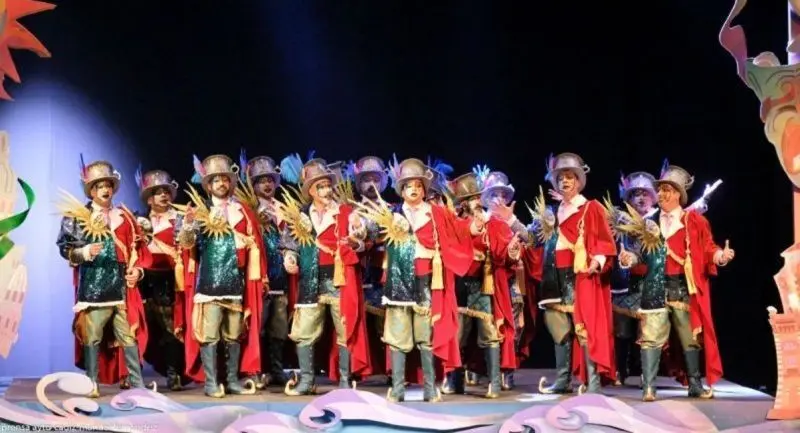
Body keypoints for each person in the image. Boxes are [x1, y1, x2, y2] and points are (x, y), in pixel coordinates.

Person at [355, 157, 473, 402]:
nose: (414, 189)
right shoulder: (392, 213)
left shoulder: (436, 214)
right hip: (398, 281)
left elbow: (458, 230)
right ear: (401, 189)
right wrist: (358, 228)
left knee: (425, 337)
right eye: (409, 185)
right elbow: (371, 230)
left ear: (424, 189)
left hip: (425, 282)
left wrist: (473, 228)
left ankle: (429, 388)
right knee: (398, 338)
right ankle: (398, 388)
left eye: (418, 185)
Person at [617, 162, 734, 401]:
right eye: (660, 190)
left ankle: (695, 384)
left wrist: (720, 256)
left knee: (690, 337)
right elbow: (641, 254)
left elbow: (708, 248)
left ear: (679, 194)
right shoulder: (649, 221)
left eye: (667, 190)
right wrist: (630, 259)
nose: (661, 194)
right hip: (654, 286)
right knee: (651, 336)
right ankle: (649, 387)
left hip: (682, 287)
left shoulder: (694, 221)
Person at [277, 156, 371, 396]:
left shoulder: (346, 212)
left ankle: (344, 381)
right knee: (304, 331)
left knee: (344, 328)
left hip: (339, 279)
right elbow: (289, 244)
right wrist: (290, 258)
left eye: (328, 185)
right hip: (310, 278)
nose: (327, 190)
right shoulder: (300, 215)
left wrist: (359, 232)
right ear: (311, 190)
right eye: (320, 186)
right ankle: (307, 381)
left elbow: (366, 234)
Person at [56, 158, 149, 397]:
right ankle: (92, 382)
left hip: (120, 288)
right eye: (99, 186)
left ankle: (137, 384)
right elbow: (66, 250)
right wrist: (85, 251)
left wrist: (137, 270)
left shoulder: (124, 216)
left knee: (128, 335)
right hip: (94, 287)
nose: (105, 189)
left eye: (108, 185)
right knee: (93, 337)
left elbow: (138, 250)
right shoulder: (78, 216)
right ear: (91, 191)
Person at [175, 154, 266, 398]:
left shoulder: (242, 211)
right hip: (209, 283)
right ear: (208, 185)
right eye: (216, 180)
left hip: (235, 282)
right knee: (210, 335)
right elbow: (186, 244)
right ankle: (211, 382)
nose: (221, 184)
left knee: (234, 335)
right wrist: (188, 225)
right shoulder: (200, 211)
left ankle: (233, 380)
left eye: (225, 179)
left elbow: (255, 243)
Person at [528, 152, 617, 395]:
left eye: (569, 177)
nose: (565, 181)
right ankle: (563, 380)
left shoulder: (590, 208)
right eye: (560, 178)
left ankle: (593, 382)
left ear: (578, 180)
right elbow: (537, 240)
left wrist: (597, 260)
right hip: (554, 277)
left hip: (580, 276)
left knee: (585, 327)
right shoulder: (554, 212)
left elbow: (604, 241)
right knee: (558, 328)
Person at [441, 170, 520, 398]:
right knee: (458, 335)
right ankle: (454, 380)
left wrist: (511, 251)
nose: (475, 202)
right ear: (462, 204)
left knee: (489, 331)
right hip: (459, 284)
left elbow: (504, 252)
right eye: (470, 199)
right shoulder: (455, 225)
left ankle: (494, 382)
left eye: (477, 197)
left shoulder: (492, 223)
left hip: (484, 285)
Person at [239, 152, 290, 388]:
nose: (267, 185)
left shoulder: (284, 209)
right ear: (254, 185)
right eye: (261, 181)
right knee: (257, 326)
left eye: (270, 180)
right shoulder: (247, 210)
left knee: (279, 328)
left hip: (281, 278)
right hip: (259, 276)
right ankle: (255, 370)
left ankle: (276, 370)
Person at [135, 167, 187, 391]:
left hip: (169, 279)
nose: (164, 195)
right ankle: (135, 376)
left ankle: (174, 373)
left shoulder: (180, 219)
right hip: (144, 279)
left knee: (171, 328)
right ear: (149, 198)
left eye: (166, 191)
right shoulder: (139, 220)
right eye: (158, 192)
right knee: (143, 326)